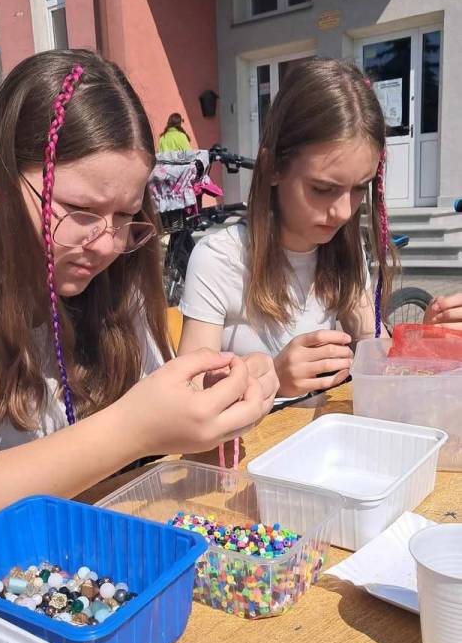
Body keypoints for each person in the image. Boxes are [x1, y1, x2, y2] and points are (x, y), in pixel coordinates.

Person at [0, 49, 277, 543]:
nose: (108, 244)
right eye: (79, 209)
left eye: (127, 215)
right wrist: (130, 430)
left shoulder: (113, 278)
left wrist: (212, 409)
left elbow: (159, 455)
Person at [178, 58, 462, 398]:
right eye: (323, 189)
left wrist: (427, 340)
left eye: (359, 188)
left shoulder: (344, 251)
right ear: (272, 167)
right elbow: (187, 396)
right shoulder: (220, 259)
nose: (343, 212)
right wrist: (272, 378)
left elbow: (374, 349)